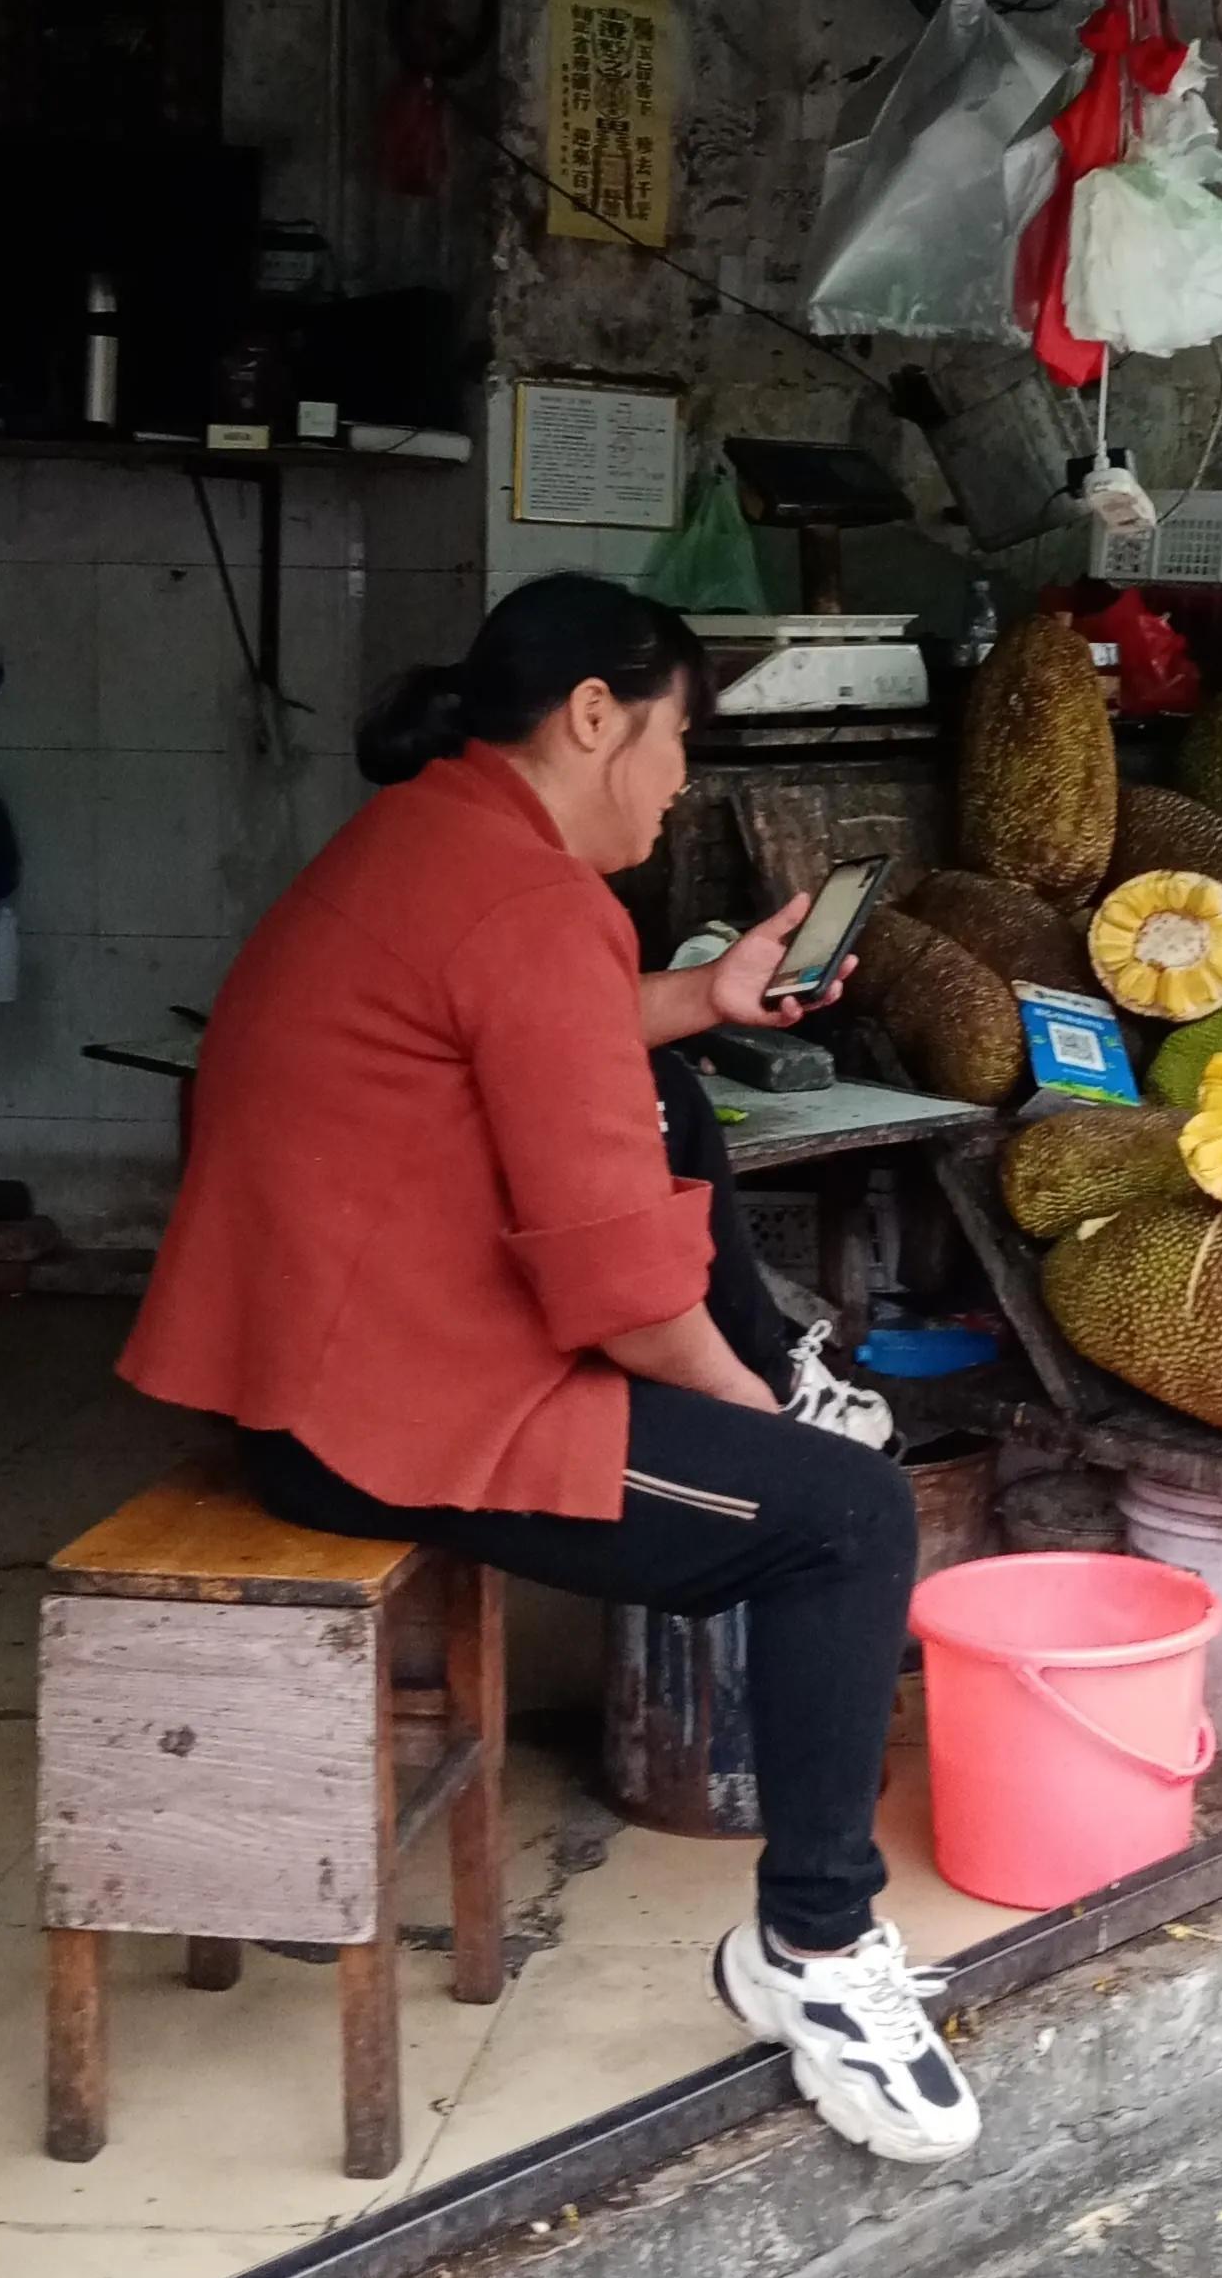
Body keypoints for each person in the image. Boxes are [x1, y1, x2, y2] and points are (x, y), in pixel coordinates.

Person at [118, 572, 978, 2169]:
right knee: (848, 1520)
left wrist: (702, 1000)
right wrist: (749, 1417)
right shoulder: (524, 901)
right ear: (594, 715)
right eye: (671, 745)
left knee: (683, 1089)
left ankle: (790, 1383)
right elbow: (618, 1293)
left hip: (327, 1351)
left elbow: (537, 1032)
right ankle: (809, 1951)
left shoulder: (435, 840)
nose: (677, 786)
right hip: (376, 1407)